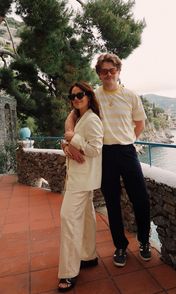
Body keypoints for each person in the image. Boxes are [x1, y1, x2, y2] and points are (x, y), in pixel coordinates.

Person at [65, 53, 151, 268]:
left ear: (118, 71)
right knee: (112, 202)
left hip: (127, 152)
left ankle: (144, 241)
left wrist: (129, 139)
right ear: (99, 74)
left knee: (140, 198)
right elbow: (73, 115)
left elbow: (139, 124)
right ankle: (120, 246)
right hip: (104, 154)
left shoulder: (131, 96)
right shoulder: (94, 97)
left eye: (112, 70)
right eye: (104, 71)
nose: (108, 74)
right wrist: (67, 138)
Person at [58, 81, 103, 292]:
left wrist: (72, 139)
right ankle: (88, 255)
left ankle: (68, 272)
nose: (76, 98)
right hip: (79, 177)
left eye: (80, 94)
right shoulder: (77, 117)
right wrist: (67, 143)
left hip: (82, 179)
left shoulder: (92, 119)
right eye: (72, 95)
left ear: (88, 95)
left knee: (68, 219)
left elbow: (95, 150)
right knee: (86, 216)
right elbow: (69, 140)